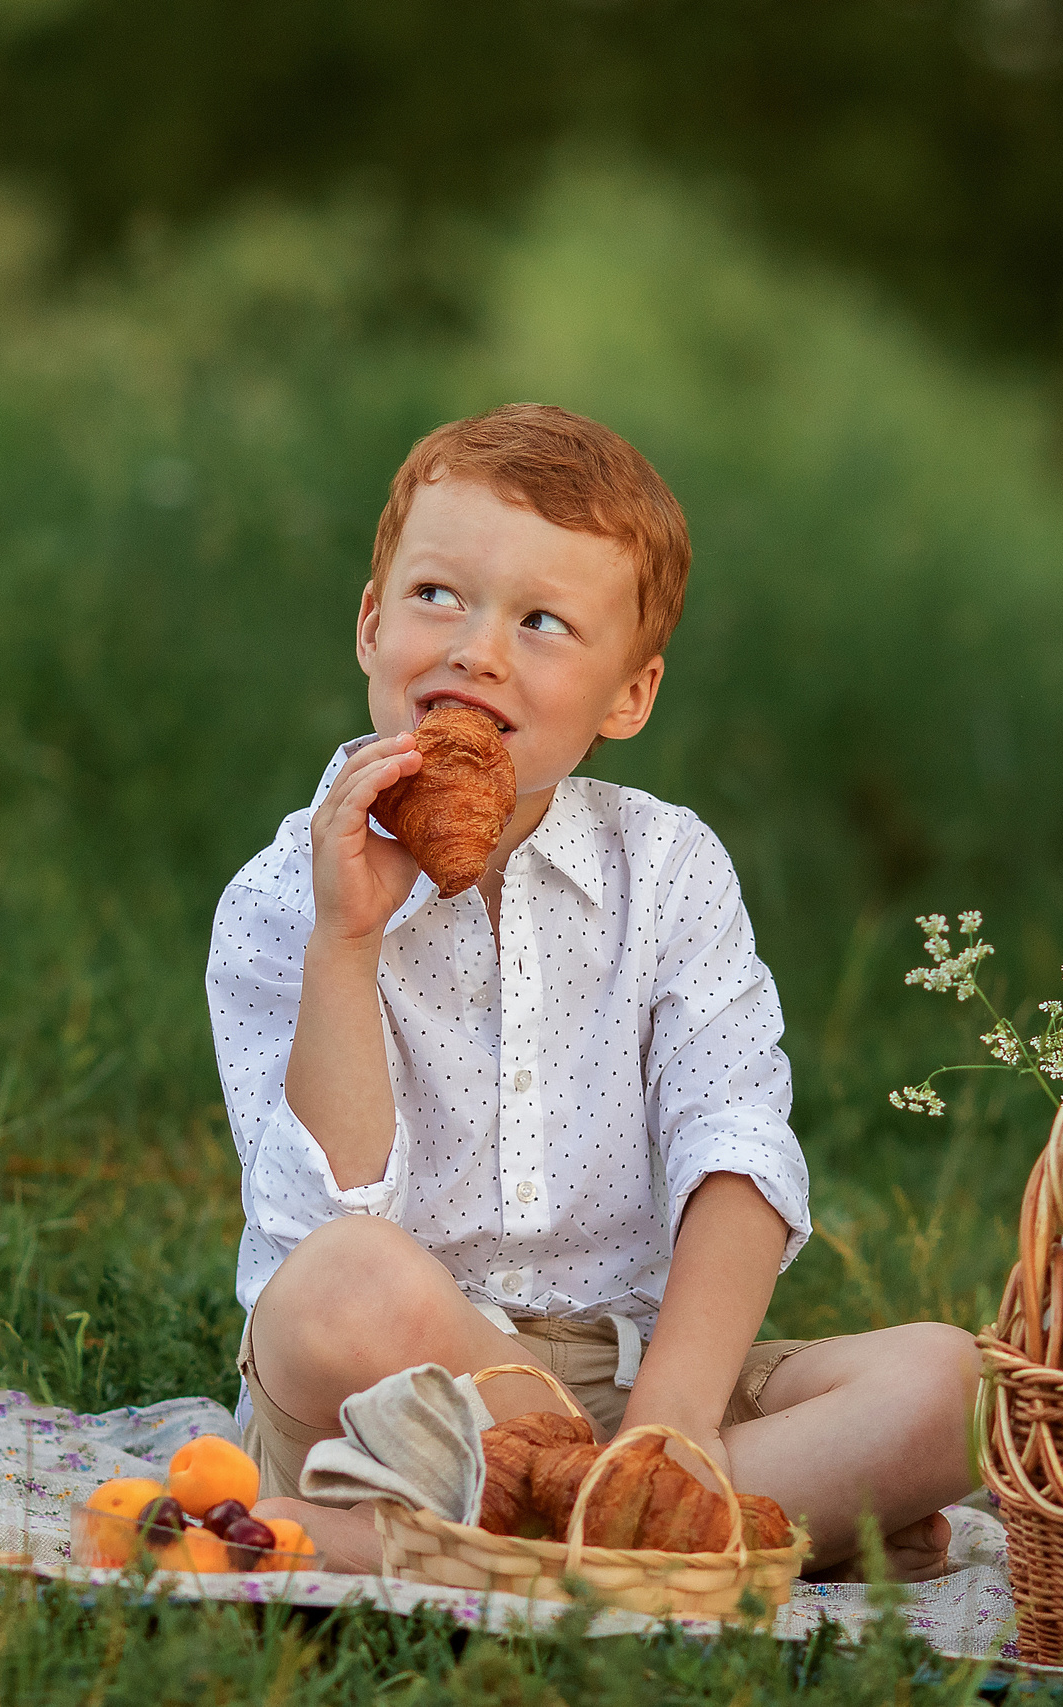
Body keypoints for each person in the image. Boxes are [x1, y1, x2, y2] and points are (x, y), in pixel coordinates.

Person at [207, 403, 977, 1577]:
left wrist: (667, 1428)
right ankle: (715, 1529)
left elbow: (735, 1146)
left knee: (955, 1385)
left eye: (544, 621)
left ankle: (557, 1528)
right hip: (406, 1396)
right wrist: (347, 943)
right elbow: (325, 1222)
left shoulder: (666, 869)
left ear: (628, 696)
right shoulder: (287, 895)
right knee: (344, 1286)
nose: (475, 649)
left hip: (640, 1374)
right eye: (436, 597)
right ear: (369, 625)